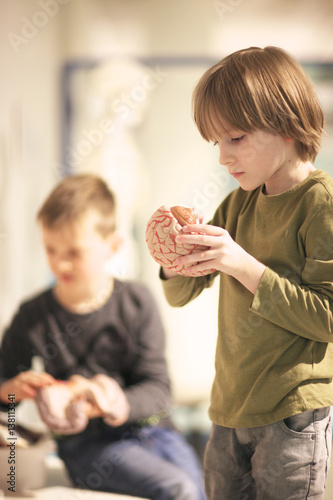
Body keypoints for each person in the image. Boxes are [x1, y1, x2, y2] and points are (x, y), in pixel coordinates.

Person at [158, 46, 333, 500]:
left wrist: (242, 264)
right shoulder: (238, 204)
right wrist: (172, 258)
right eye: (217, 143)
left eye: (235, 138)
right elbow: (180, 295)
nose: (223, 157)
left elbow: (329, 317)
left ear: (287, 123)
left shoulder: (321, 203)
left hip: (292, 417)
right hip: (228, 413)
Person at [0, 174, 207, 500]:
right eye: (50, 249)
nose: (60, 262)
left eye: (74, 252)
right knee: (179, 489)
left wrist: (109, 401)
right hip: (87, 445)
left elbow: (158, 389)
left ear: (113, 246)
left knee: (199, 489)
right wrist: (10, 390)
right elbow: (4, 383)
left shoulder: (137, 302)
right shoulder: (32, 316)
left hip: (156, 431)